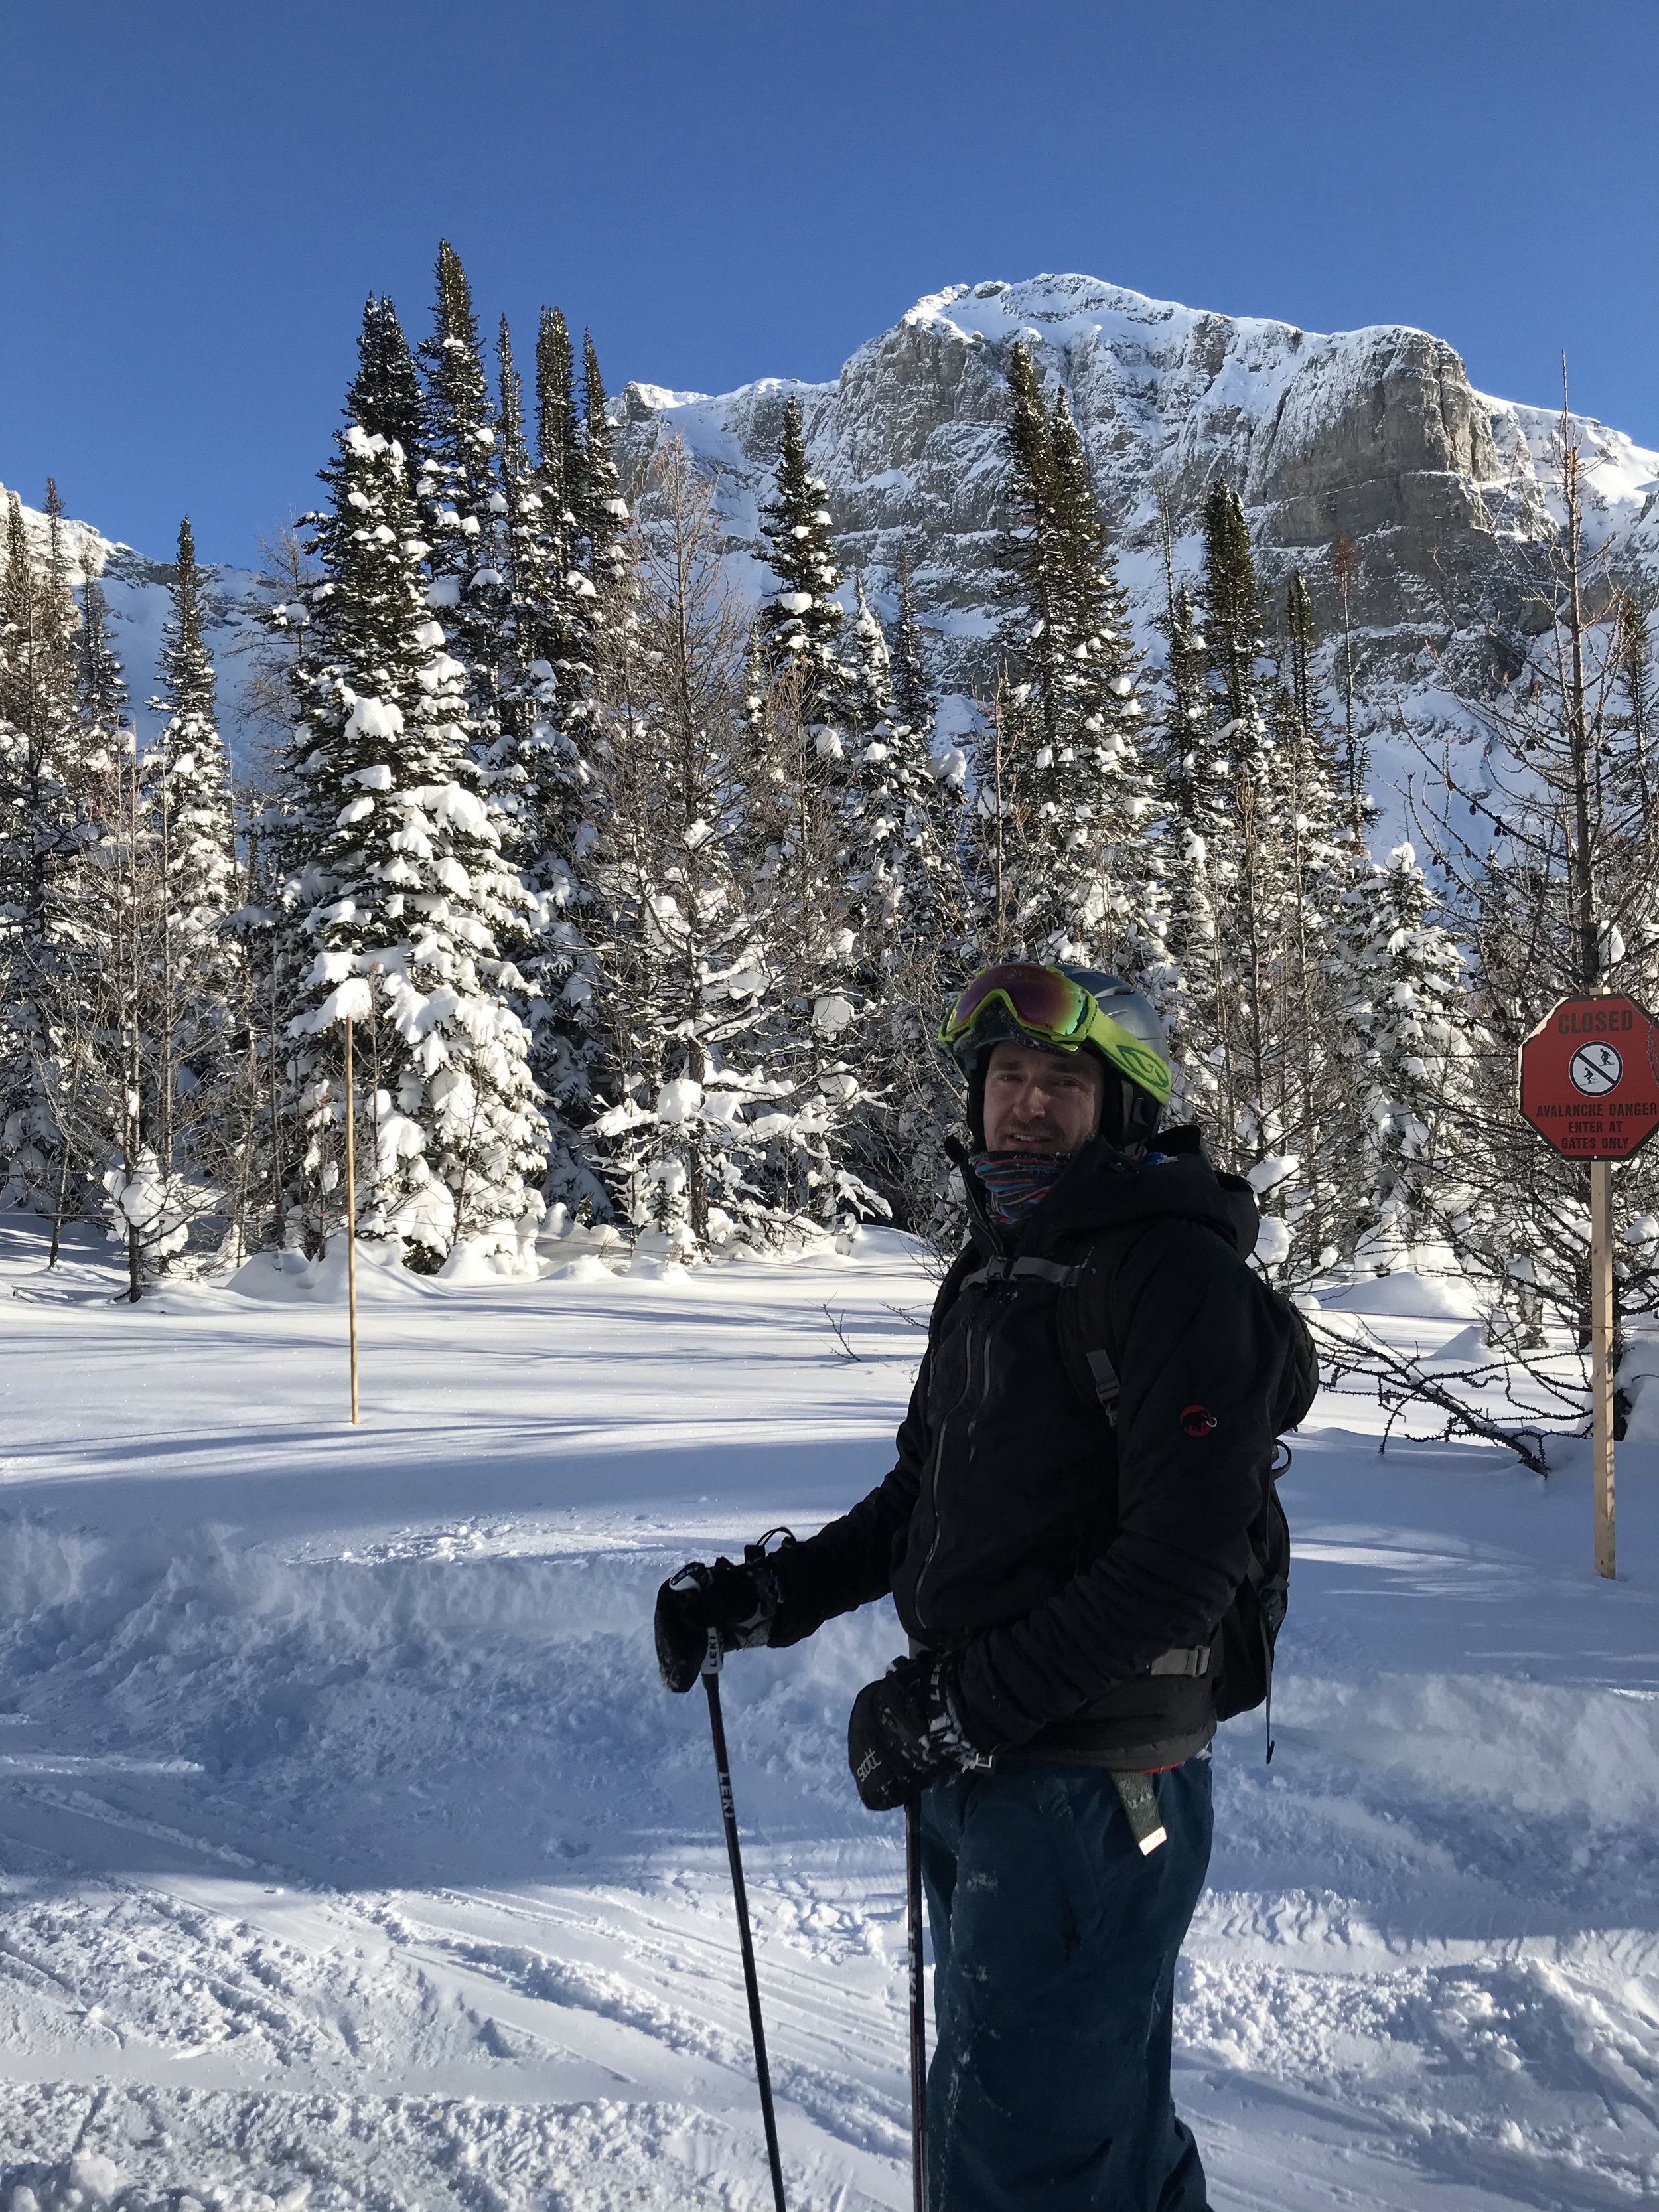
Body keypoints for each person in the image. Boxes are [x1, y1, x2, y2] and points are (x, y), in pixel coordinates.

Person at [656, 962, 1300, 2212]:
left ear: (1123, 1108)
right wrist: (764, 1598)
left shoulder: (1172, 1271)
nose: (1027, 1106)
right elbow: (919, 1501)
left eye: (1063, 1083)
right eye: (1009, 1078)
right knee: (1080, 2122)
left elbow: (1181, 1566)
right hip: (994, 1766)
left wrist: (953, 1708)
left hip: (1094, 1783)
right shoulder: (998, 1267)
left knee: (1026, 2158)